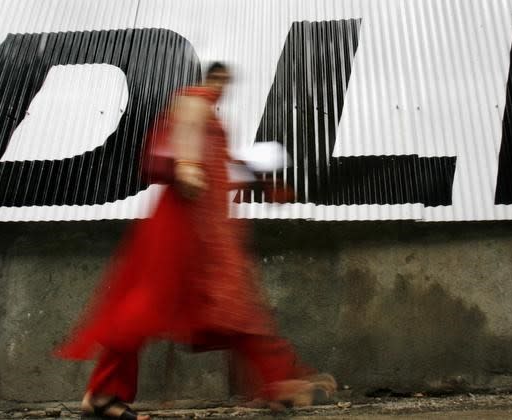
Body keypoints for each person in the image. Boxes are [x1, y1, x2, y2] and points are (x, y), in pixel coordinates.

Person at [55, 62, 335, 420]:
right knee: (158, 308)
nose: (221, 88)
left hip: (206, 226)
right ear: (212, 78)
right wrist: (186, 165)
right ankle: (103, 395)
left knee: (227, 307)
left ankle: (279, 382)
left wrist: (263, 187)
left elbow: (219, 163)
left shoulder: (204, 111)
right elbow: (186, 136)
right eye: (220, 80)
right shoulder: (193, 100)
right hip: (187, 225)